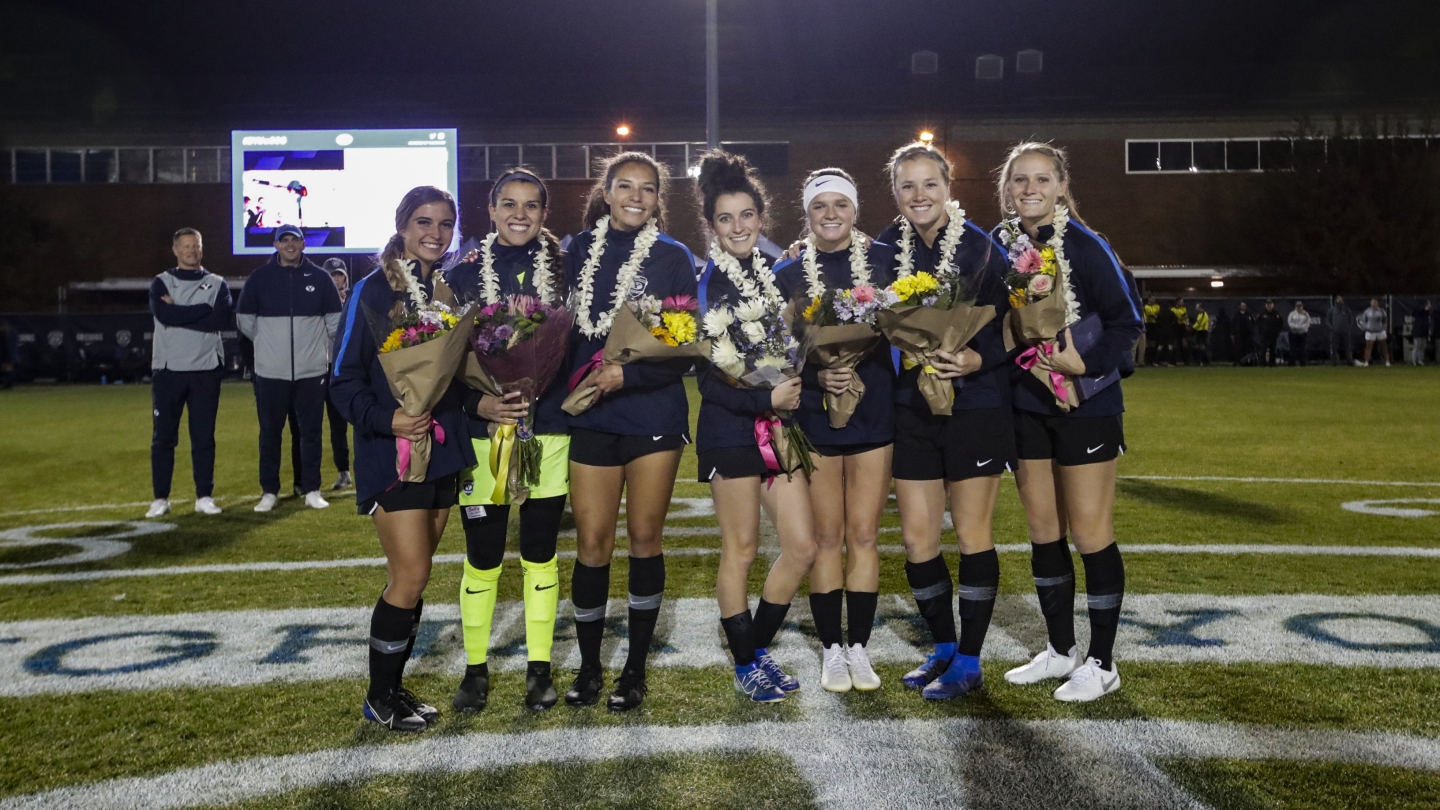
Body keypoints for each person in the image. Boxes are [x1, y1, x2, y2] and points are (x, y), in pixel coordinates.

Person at [991, 142, 1141, 703]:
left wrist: (1086, 364)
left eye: (1041, 180)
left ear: (1060, 186)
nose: (1030, 189)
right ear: (1008, 188)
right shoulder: (996, 247)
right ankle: (1059, 650)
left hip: (1088, 405)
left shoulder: (1087, 245)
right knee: (1042, 529)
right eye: (1019, 180)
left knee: (1089, 532)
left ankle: (1102, 662)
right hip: (1026, 408)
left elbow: (1128, 322)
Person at [330, 185, 477, 732]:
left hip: (438, 451)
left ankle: (392, 687)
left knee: (413, 576)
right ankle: (378, 696)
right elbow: (342, 380)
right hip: (389, 451)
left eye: (444, 224)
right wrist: (386, 418)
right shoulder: (371, 290)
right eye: (423, 222)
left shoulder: (449, 290)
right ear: (401, 225)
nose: (434, 233)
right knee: (411, 574)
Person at [876, 142, 1013, 700]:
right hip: (912, 408)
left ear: (948, 187)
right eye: (907, 186)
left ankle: (972, 659)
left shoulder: (982, 250)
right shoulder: (883, 249)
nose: (919, 196)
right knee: (916, 538)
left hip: (976, 404)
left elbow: (1020, 325)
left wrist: (980, 357)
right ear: (896, 194)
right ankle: (943, 646)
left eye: (929, 184)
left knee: (972, 532)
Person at [562, 152, 698, 711]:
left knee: (644, 539)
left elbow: (685, 348)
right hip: (592, 413)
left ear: (657, 198)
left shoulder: (672, 256)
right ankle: (590, 668)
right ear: (608, 191)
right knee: (592, 544)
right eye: (625, 186)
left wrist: (631, 372)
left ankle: (634, 670)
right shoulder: (574, 250)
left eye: (647, 188)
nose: (635, 196)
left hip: (652, 415)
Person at [693, 150, 818, 702]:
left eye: (747, 216)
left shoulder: (774, 277)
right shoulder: (706, 287)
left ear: (761, 219)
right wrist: (766, 394)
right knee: (741, 550)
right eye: (726, 218)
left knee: (802, 546)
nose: (738, 227)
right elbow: (711, 381)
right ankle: (747, 664)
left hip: (780, 428)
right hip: (729, 429)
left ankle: (754, 647)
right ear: (713, 227)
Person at [444, 168, 570, 712]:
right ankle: (475, 669)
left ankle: (539, 669)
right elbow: (440, 366)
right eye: (509, 204)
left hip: (550, 435)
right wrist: (481, 404)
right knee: (484, 555)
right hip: (482, 436)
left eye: (532, 205)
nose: (521, 214)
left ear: (545, 213)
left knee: (540, 553)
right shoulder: (458, 277)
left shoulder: (567, 274)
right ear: (490, 211)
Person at [774, 167, 896, 693]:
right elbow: (777, 351)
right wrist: (814, 372)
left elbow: (909, 328)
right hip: (815, 414)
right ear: (807, 213)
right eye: (820, 206)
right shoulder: (787, 272)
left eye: (840, 205)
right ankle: (831, 650)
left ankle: (859, 648)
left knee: (864, 534)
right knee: (827, 537)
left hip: (874, 409)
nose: (831, 214)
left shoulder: (887, 264)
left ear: (855, 210)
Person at [235, 224, 343, 511]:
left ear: (303, 244)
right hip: (271, 372)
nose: (290, 245)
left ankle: (312, 489)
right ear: (276, 245)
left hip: (312, 372)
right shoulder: (260, 278)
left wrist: (316, 352)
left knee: (311, 433)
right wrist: (270, 345)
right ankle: (269, 491)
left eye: (295, 240)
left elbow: (335, 323)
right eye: (284, 241)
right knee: (270, 433)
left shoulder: (321, 279)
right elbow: (245, 321)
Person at [145, 227, 232, 519]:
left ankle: (204, 496)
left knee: (203, 437)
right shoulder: (161, 282)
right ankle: (161, 498)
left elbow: (220, 319)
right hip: (168, 370)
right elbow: (164, 316)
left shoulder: (217, 283)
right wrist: (201, 310)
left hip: (205, 369)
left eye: (195, 246)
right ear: (175, 250)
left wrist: (180, 314)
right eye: (185, 246)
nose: (191, 251)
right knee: (164, 437)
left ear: (202, 249)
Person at [287, 260, 355, 493]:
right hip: (314, 367)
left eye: (339, 275)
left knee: (339, 424)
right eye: (331, 275)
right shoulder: (315, 299)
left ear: (345, 277)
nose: (336, 279)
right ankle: (303, 479)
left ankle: (344, 472)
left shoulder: (352, 300)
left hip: (339, 369)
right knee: (307, 425)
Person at [1357, 298, 1391, 367]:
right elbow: (1363, 321)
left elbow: (1385, 321)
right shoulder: (1367, 311)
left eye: (1375, 302)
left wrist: (1383, 328)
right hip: (1370, 331)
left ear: (1377, 303)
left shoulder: (1382, 311)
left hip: (1380, 331)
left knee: (1383, 347)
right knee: (1368, 347)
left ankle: (1387, 361)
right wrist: (1366, 328)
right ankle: (1366, 362)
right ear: (1370, 303)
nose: (1374, 303)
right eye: (1372, 302)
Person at [1326, 295, 1354, 365]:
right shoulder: (1332, 310)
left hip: (1345, 332)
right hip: (1335, 332)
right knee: (1334, 347)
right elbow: (1327, 320)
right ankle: (1334, 361)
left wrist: (1348, 328)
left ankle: (1349, 360)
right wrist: (1332, 328)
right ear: (1336, 300)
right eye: (1338, 298)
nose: (1340, 299)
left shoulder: (1346, 309)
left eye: (1341, 298)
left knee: (1347, 346)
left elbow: (1351, 319)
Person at [1258, 299, 1284, 366]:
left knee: (1273, 349)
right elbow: (1258, 324)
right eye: (1267, 304)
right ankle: (1262, 363)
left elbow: (1280, 324)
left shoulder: (1276, 314)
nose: (1269, 306)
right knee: (1263, 349)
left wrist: (1277, 332)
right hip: (1264, 335)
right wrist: (1261, 331)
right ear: (1265, 305)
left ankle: (1272, 363)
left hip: (1273, 335)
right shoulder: (1262, 314)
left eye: (1270, 304)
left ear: (1273, 305)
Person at [1287, 301, 1311, 366]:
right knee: (1293, 349)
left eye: (1300, 306)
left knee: (1302, 349)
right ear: (1295, 307)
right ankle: (1292, 363)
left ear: (1302, 307)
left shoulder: (1306, 314)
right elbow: (1290, 323)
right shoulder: (1292, 314)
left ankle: (1303, 363)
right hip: (1293, 333)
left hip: (1302, 333)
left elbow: (1308, 322)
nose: (1299, 308)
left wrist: (1302, 327)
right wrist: (1297, 327)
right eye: (1297, 306)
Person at [1411, 300, 1432, 366]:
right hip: (1418, 332)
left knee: (1422, 347)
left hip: (1424, 332)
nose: (1430, 306)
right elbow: (1417, 312)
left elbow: (1428, 323)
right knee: (1417, 347)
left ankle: (1420, 360)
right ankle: (1414, 361)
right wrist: (1424, 308)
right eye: (1428, 304)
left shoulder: (1427, 313)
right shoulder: (1419, 311)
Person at [1140, 295, 1158, 366]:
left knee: (1153, 343)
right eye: (1152, 298)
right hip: (1148, 325)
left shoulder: (1157, 306)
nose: (1153, 300)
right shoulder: (1145, 307)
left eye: (1154, 299)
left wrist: (1153, 316)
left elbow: (1157, 315)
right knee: (1147, 343)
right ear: (1149, 299)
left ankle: (1153, 360)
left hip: (1154, 325)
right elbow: (1146, 316)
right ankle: (1147, 360)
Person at [1191, 302, 1211, 366]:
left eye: (1196, 307)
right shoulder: (1199, 314)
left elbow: (1199, 324)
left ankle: (1204, 361)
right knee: (1199, 347)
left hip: (1203, 332)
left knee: (1202, 346)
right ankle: (1202, 361)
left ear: (1200, 307)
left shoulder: (1204, 315)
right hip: (1199, 332)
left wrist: (1192, 327)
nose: (1195, 308)